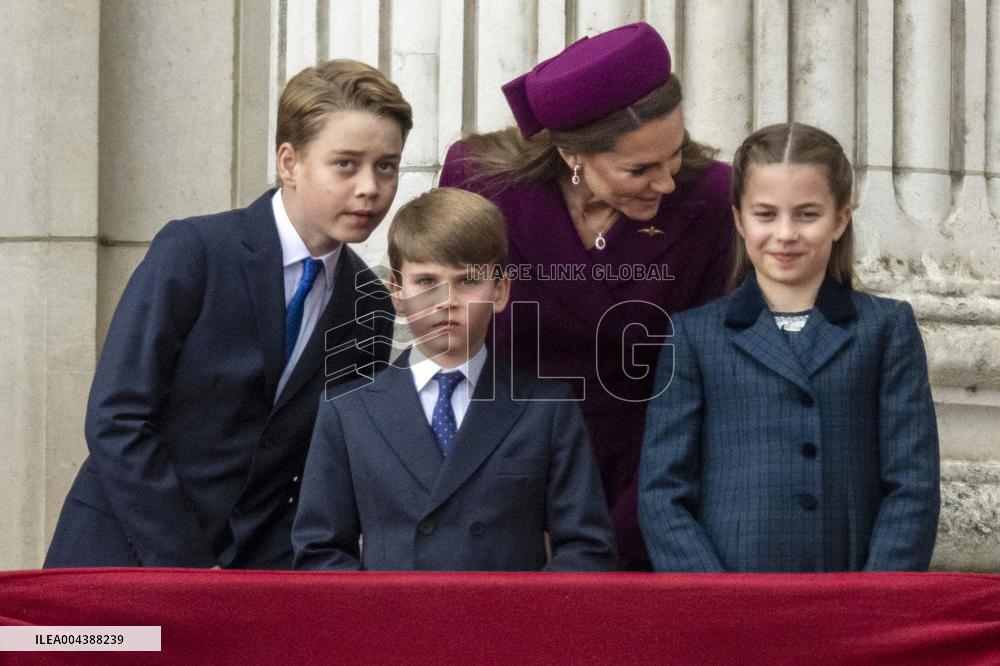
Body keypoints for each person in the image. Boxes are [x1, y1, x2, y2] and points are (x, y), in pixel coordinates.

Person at [44, 60, 412, 569]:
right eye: (346, 164)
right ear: (289, 162)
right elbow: (117, 417)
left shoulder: (368, 303)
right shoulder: (195, 250)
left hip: (256, 579)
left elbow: (324, 460)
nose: (370, 187)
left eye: (387, 166)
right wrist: (189, 566)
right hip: (121, 554)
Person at [438, 22, 733, 568]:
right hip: (501, 483)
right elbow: (452, 354)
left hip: (650, 486)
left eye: (675, 154)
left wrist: (625, 522)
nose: (666, 182)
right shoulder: (480, 183)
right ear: (573, 154)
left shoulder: (712, 198)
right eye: (639, 169)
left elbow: (707, 379)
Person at [638, 122, 941, 572]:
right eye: (765, 214)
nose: (785, 234)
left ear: (840, 219)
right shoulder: (693, 336)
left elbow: (912, 483)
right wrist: (711, 598)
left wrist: (876, 599)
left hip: (850, 595)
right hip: (732, 596)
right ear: (739, 219)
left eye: (807, 214)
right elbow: (663, 491)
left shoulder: (886, 329)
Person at [292, 187, 617, 571]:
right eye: (427, 281)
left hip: (508, 625)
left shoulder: (546, 407)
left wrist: (525, 623)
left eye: (468, 280)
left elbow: (587, 549)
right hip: (391, 627)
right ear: (396, 290)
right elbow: (319, 552)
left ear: (500, 290)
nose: (447, 299)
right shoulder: (348, 411)